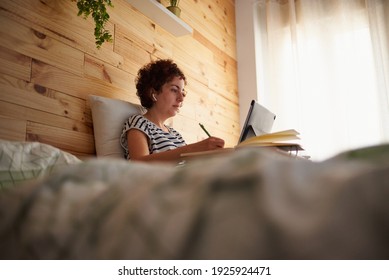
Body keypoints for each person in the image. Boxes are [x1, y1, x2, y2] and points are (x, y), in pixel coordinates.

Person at [120, 59, 225, 162]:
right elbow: (138, 164)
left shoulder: (176, 135)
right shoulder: (139, 122)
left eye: (183, 92)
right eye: (174, 90)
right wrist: (195, 148)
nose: (181, 98)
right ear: (154, 93)